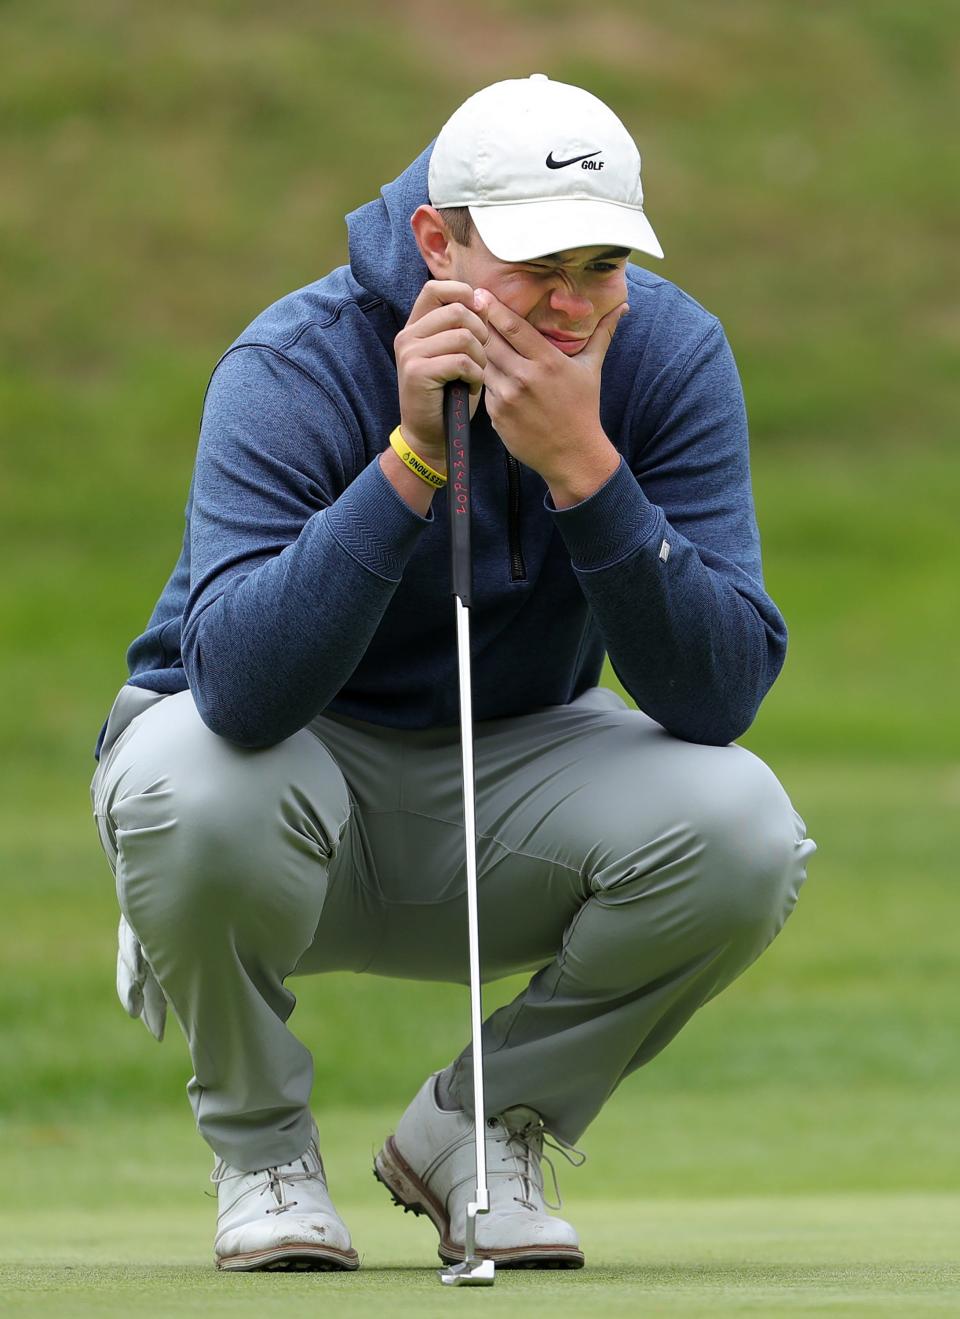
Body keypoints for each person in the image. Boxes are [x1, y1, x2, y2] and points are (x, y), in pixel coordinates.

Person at [90, 74, 816, 1273]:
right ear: (439, 240)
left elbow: (716, 693)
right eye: (539, 265)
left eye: (601, 264)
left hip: (520, 764)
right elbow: (240, 693)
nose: (575, 306)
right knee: (188, 780)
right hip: (277, 773)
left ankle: (481, 1129)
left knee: (745, 825)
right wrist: (414, 457)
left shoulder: (670, 355)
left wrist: (587, 467)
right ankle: (263, 1149)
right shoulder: (295, 361)